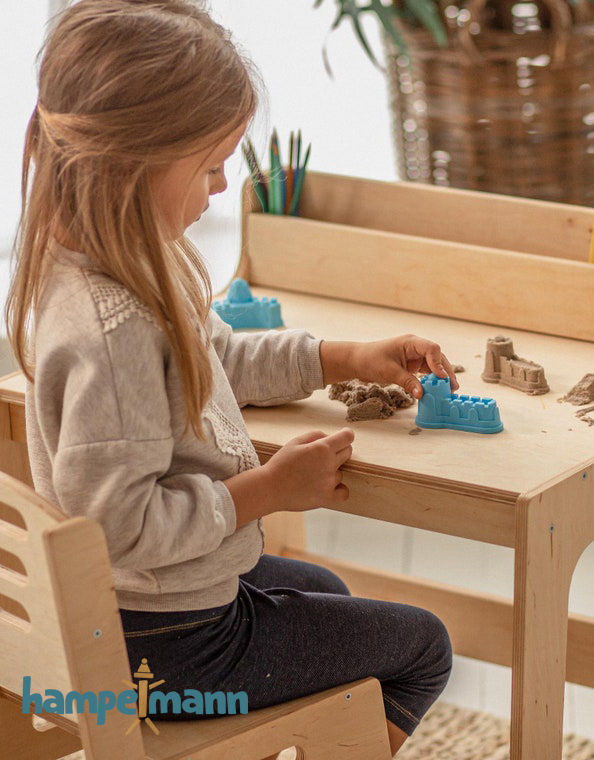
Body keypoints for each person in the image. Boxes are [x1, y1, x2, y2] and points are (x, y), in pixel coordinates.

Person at [6, 1, 455, 753]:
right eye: (212, 165)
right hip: (161, 648)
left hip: (157, 611)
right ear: (134, 162)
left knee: (331, 596)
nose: (222, 186)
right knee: (421, 649)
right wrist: (271, 491)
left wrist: (341, 356)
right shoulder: (111, 332)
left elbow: (215, 362)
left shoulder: (137, 251)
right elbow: (121, 527)